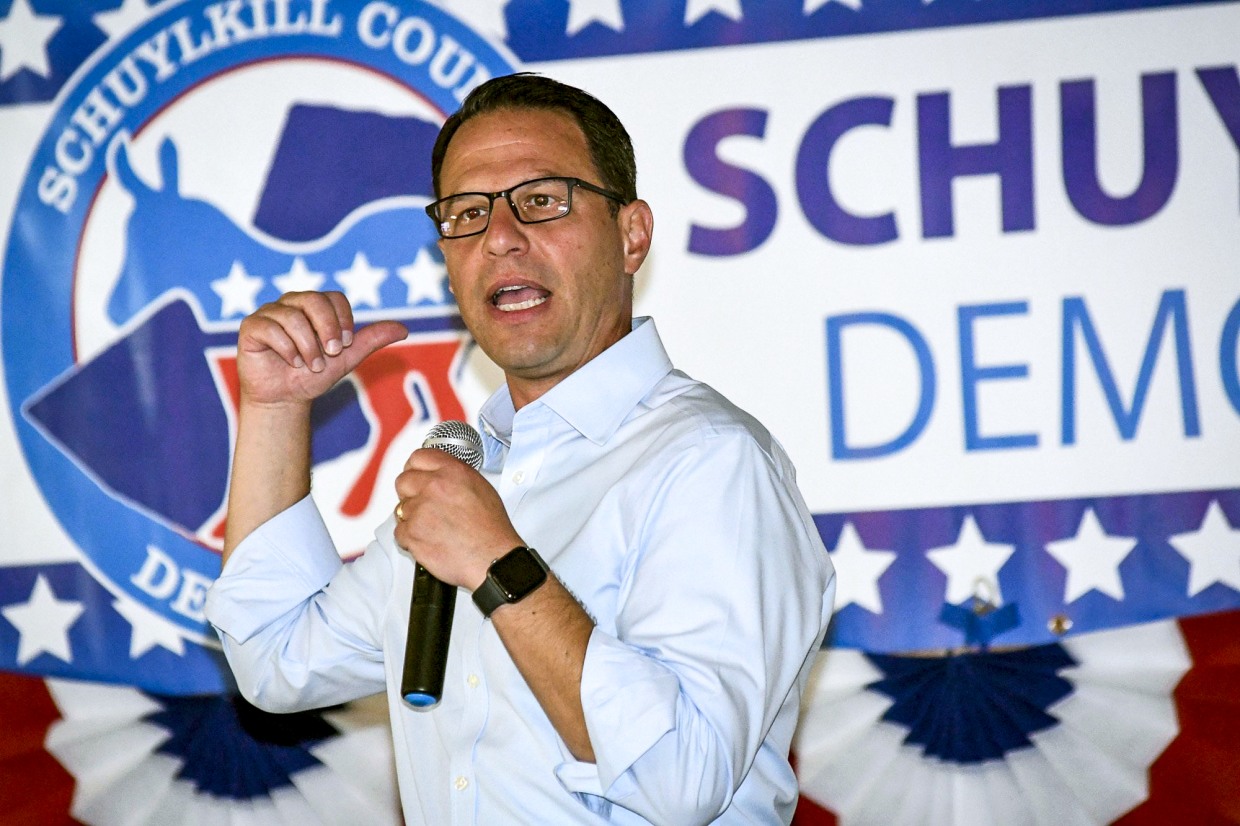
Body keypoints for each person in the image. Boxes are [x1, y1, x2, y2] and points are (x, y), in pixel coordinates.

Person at [205, 73, 835, 825]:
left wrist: (499, 565)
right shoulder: (476, 475)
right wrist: (275, 410)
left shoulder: (710, 461)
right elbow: (277, 661)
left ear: (632, 235)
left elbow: (683, 779)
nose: (499, 237)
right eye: (468, 213)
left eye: (541, 200)